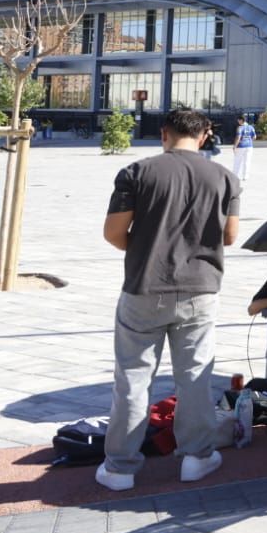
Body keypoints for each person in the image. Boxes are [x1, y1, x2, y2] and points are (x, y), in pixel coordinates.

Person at [95, 108, 241, 492]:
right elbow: (229, 236)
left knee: (132, 378)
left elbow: (113, 232)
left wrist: (145, 250)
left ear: (164, 134)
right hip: (201, 289)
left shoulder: (137, 172)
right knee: (194, 375)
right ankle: (196, 457)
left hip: (144, 287)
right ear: (206, 135)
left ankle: (120, 468)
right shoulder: (225, 178)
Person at [232, 114, 256, 183]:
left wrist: (234, 146)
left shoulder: (240, 128)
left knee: (237, 161)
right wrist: (248, 140)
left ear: (241, 120)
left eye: (238, 120)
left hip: (241, 146)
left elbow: (238, 138)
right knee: (247, 161)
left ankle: (235, 175)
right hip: (249, 146)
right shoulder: (251, 127)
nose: (238, 122)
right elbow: (254, 137)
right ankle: (245, 176)